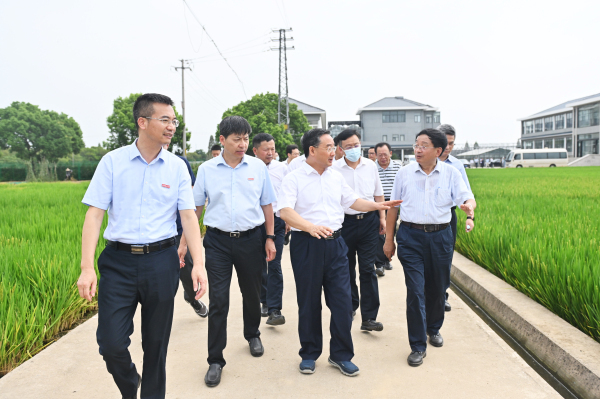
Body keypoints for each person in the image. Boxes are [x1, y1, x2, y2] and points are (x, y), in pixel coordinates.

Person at [77, 93, 207, 399]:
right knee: (111, 344)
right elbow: (95, 215)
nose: (172, 126)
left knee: (156, 345)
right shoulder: (113, 162)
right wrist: (86, 268)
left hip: (161, 261)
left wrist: (198, 264)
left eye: (174, 120)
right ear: (142, 122)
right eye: (165, 119)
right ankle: (129, 383)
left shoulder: (176, 167)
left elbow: (188, 217)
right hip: (118, 262)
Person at [277, 128, 400, 376]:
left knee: (343, 303)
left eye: (335, 147)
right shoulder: (295, 177)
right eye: (329, 147)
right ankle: (310, 353)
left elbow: (352, 201)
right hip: (307, 245)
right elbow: (285, 211)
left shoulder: (335, 177)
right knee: (309, 303)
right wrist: (309, 227)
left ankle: (341, 355)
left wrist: (378, 205)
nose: (335, 152)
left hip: (336, 245)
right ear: (312, 150)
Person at [191, 116, 276, 388]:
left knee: (252, 293)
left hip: (251, 239)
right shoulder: (206, 169)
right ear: (222, 140)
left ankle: (252, 334)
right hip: (217, 241)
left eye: (246, 138)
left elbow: (267, 205)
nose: (242, 144)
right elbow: (196, 209)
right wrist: (187, 242)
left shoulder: (257, 168)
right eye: (237, 138)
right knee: (219, 301)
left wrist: (270, 238)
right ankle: (215, 359)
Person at [383, 128, 475, 368]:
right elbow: (393, 208)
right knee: (415, 290)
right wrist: (388, 239)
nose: (418, 149)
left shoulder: (451, 174)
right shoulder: (404, 174)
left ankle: (433, 328)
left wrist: (468, 208)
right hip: (410, 237)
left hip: (440, 237)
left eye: (424, 145)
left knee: (437, 288)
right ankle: (417, 345)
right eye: (416, 144)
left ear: (438, 150)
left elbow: (467, 197)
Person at [332, 130, 385, 331]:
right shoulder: (334, 169)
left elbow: (378, 195)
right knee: (346, 269)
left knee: (367, 269)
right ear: (340, 148)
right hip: (344, 223)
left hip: (369, 222)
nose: (354, 149)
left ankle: (369, 317)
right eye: (349, 146)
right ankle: (351, 306)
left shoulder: (370, 166)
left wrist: (382, 219)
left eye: (356, 145)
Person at [160, 143, 208, 319]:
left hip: (180, 230)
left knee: (187, 273)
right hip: (157, 236)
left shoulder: (179, 163)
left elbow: (192, 193)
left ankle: (193, 299)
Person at [436, 124, 474, 312]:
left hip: (448, 216)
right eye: (445, 142)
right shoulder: (424, 161)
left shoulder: (457, 165)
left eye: (451, 143)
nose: (448, 147)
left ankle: (442, 295)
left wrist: (470, 213)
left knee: (445, 257)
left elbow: (467, 194)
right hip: (426, 217)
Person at [252, 133, 288, 325]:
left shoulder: (282, 168)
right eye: (266, 149)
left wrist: (289, 218)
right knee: (259, 265)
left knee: (274, 264)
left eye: (273, 149)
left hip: (277, 221)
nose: (270, 153)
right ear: (255, 150)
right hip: (255, 223)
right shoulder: (248, 168)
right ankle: (264, 300)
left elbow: (288, 195)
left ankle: (275, 309)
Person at [374, 142, 402, 276]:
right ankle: (379, 263)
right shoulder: (372, 168)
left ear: (390, 153)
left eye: (385, 154)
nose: (383, 157)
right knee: (380, 232)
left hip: (393, 206)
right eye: (380, 155)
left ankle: (387, 259)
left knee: (390, 231)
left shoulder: (398, 167)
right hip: (378, 205)